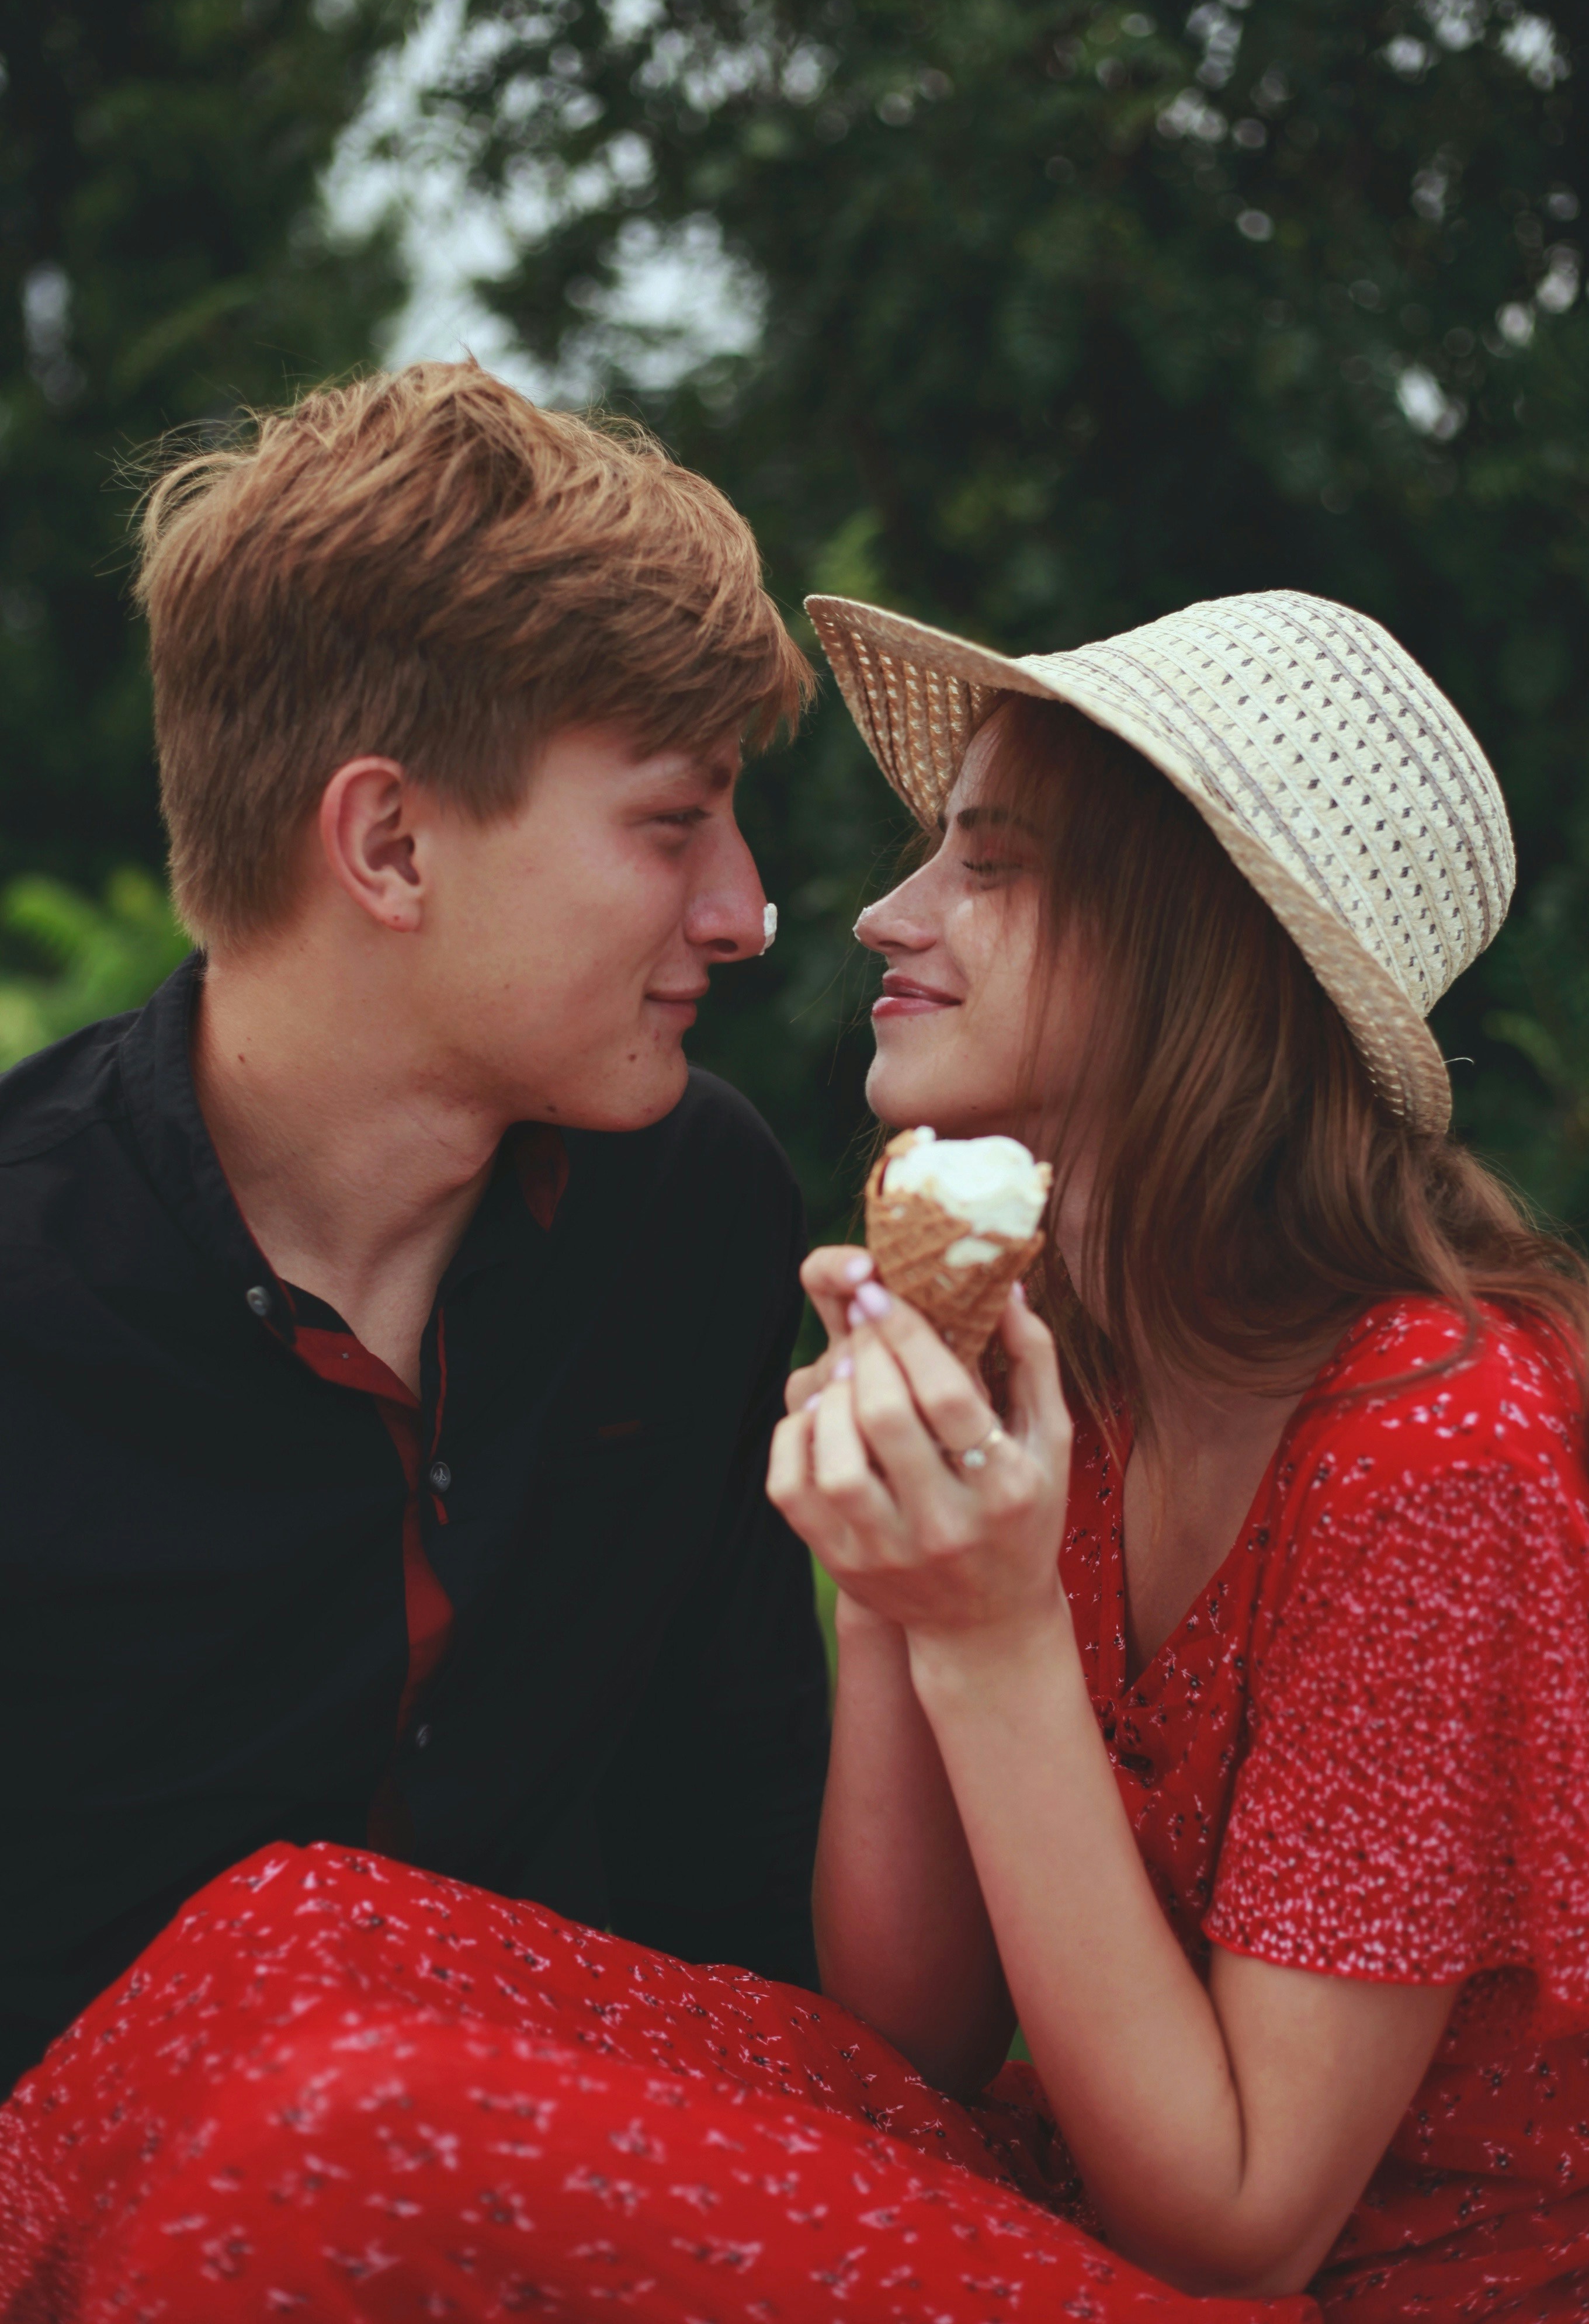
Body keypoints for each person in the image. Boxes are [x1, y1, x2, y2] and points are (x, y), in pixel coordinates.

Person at [5, 589, 1587, 2324]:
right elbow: (909, 2029)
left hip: (1339, 2293)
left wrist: (986, 1635)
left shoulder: (1436, 1447)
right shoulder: (1062, 1342)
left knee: (367, 2130)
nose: (879, 914)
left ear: (1188, 939)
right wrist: (897, 1584)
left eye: (988, 866)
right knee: (288, 1930)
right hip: (1037, 2184)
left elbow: (1238, 2226)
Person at [0, 363, 829, 2106]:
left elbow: (737, 1862)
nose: (745, 914)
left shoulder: (700, 1209)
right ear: (388, 842)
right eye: (675, 824)